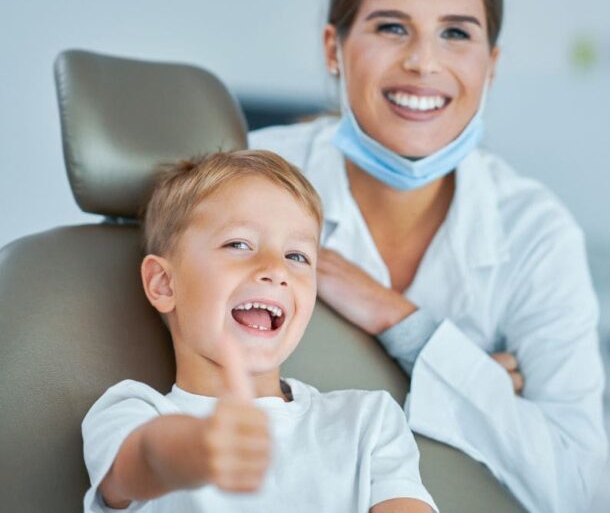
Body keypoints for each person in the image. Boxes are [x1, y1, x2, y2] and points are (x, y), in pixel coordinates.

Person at [248, 0, 607, 513]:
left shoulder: (536, 232)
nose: (423, 62)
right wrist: (475, 386)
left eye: (456, 34)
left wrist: (402, 324)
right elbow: (197, 379)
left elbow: (569, 480)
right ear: (334, 48)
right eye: (392, 27)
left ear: (490, 65)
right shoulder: (253, 181)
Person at [81, 150, 437, 513]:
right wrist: (197, 447)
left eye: (297, 256)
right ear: (164, 284)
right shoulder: (133, 413)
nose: (275, 269)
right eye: (239, 244)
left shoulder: (367, 420)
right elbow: (145, 459)